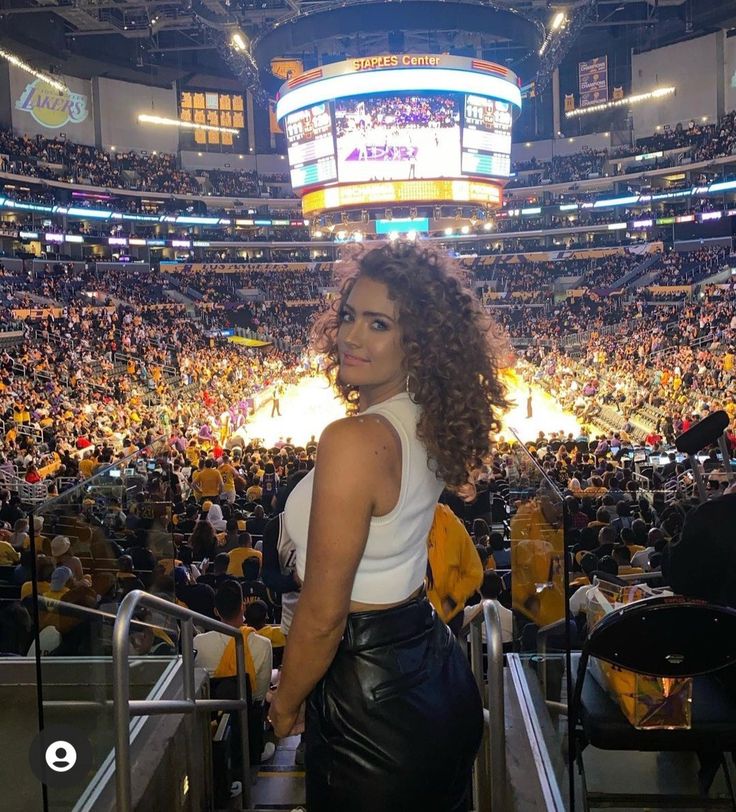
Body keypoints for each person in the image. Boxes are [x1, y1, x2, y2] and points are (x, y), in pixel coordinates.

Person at [271, 242, 506, 810]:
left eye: (378, 323)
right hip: (431, 667)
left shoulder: (353, 441)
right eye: (349, 315)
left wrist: (284, 702)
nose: (351, 336)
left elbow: (325, 615)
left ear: (418, 342)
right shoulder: (427, 418)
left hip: (369, 704)